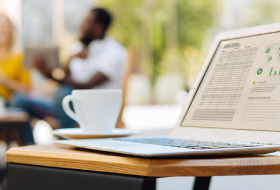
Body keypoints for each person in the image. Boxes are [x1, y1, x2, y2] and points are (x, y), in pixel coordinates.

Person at [10, 8, 126, 142]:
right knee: (18, 100)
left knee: (63, 93)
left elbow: (86, 85)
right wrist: (60, 65)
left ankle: (66, 146)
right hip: (64, 106)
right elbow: (66, 79)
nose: (80, 26)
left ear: (98, 27)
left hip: (92, 111)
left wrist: (52, 75)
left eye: (85, 22)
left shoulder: (113, 51)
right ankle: (28, 150)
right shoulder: (78, 49)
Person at [0, 14, 33, 145]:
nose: (3, 29)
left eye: (6, 26)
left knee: (17, 102)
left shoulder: (20, 57)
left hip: (10, 104)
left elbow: (26, 89)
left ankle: (29, 149)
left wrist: (4, 80)